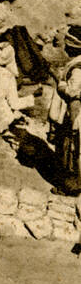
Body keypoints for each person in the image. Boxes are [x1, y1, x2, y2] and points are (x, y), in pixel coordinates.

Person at [47, 58, 81, 195]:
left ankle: (72, 186)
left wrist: (61, 85)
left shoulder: (77, 69)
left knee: (72, 148)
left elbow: (72, 92)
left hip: (76, 113)